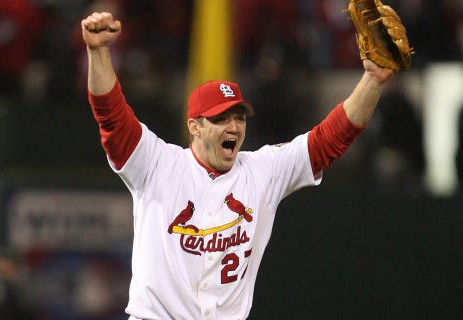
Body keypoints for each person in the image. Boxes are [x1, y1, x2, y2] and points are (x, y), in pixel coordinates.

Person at [81, 11, 394, 320]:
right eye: (220, 118)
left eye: (239, 117)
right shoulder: (157, 164)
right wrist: (98, 52)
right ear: (194, 126)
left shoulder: (261, 170)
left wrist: (372, 80)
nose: (233, 127)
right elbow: (111, 115)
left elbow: (329, 140)